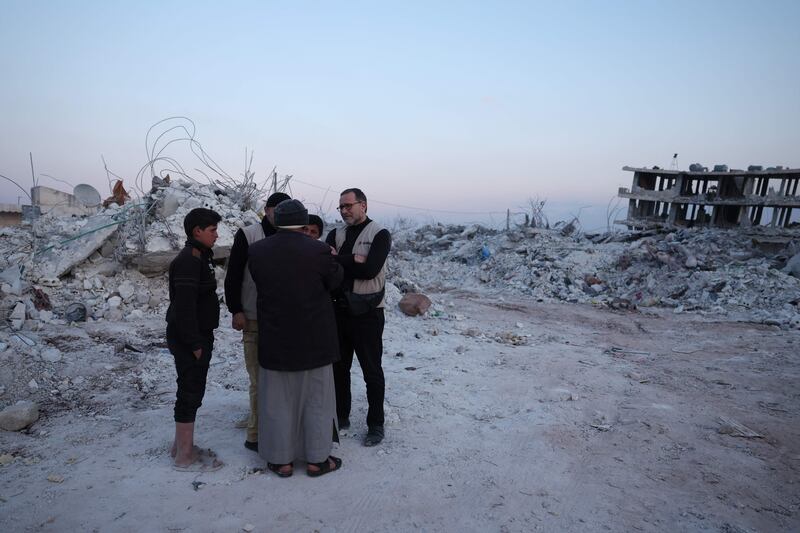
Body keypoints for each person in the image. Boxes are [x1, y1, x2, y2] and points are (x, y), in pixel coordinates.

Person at [249, 199, 344, 477]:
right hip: (315, 339)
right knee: (317, 401)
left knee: (277, 402)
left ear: (275, 221)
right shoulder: (318, 250)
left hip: (276, 338)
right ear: (304, 223)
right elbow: (335, 281)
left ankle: (282, 461)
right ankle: (317, 460)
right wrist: (334, 260)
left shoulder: (257, 251)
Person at [224, 192, 290, 452]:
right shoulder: (249, 235)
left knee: (282, 378)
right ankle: (256, 433)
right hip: (254, 318)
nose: (280, 215)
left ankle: (277, 425)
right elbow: (234, 275)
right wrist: (236, 310)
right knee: (258, 378)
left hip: (284, 321)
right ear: (267, 209)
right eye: (277, 210)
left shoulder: (290, 236)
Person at [325, 188, 392, 447]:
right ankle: (341, 416)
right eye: (340, 207)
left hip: (368, 313)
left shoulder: (379, 234)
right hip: (339, 311)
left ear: (363, 205)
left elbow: (371, 269)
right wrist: (353, 259)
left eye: (348, 206)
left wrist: (341, 260)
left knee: (371, 371)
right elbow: (327, 266)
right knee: (339, 369)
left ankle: (376, 424)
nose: (344, 211)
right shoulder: (335, 233)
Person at [166, 207, 224, 471]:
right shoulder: (190, 260)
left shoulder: (200, 256)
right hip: (191, 337)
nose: (216, 235)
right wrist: (195, 344)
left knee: (190, 390)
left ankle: (181, 446)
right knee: (190, 392)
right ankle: (184, 457)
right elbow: (184, 308)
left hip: (196, 335)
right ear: (197, 231)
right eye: (212, 231)